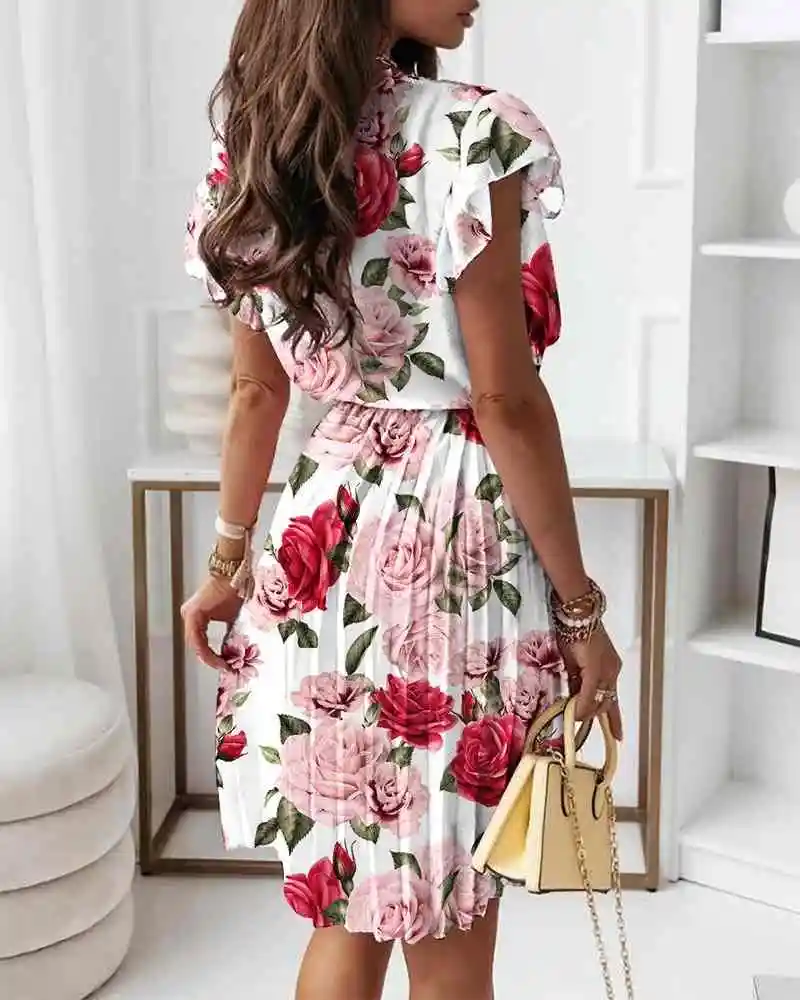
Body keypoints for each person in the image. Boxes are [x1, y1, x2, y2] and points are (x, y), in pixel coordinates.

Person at [181, 1, 623, 998]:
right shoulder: (475, 130)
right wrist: (580, 609)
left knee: (349, 902)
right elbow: (504, 401)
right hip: (455, 531)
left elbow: (256, 392)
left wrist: (226, 563)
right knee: (449, 907)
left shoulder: (254, 149)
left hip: (323, 530)